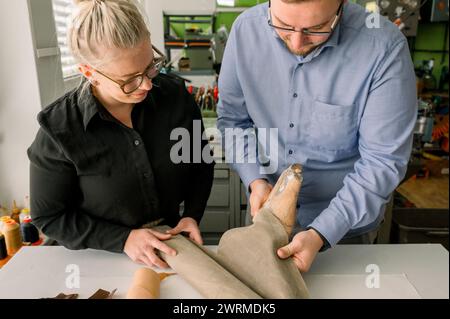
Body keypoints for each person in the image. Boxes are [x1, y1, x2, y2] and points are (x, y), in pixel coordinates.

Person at [217, 0, 417, 272]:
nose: (298, 43)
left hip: (345, 231)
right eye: (284, 26)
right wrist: (255, 180)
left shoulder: (384, 47)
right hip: (266, 216)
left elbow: (382, 161)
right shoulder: (244, 32)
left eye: (318, 28)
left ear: (341, 5)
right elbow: (233, 121)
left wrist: (321, 232)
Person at [28, 0, 214, 268]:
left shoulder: (175, 97)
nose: (148, 84)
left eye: (151, 66)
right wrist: (123, 239)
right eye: (129, 80)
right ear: (89, 72)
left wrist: (192, 215)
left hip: (174, 250)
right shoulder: (60, 129)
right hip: (102, 260)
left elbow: (201, 163)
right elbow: (50, 217)